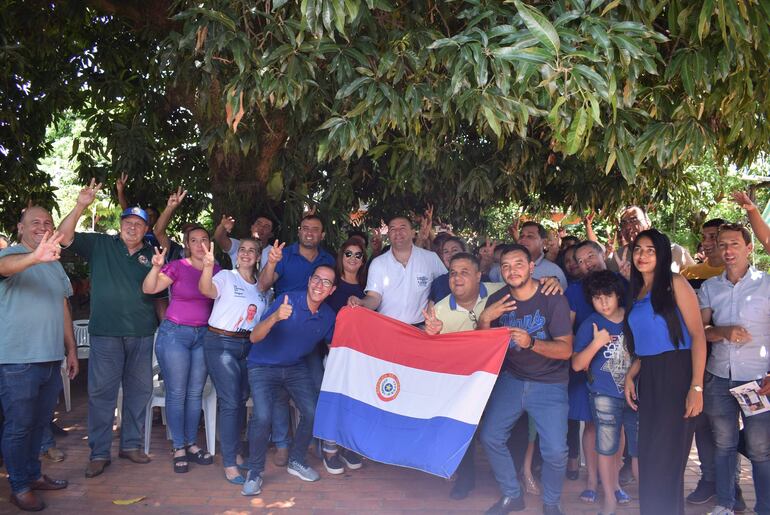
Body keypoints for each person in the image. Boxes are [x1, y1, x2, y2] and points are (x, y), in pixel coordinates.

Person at [58, 179, 159, 478]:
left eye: (138, 224)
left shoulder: (153, 254)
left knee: (138, 392)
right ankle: (99, 452)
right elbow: (63, 237)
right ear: (120, 225)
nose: (132, 227)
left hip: (141, 333)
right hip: (105, 334)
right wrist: (80, 205)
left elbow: (159, 293)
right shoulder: (101, 244)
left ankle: (130, 444)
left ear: (145, 229)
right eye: (127, 222)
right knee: (101, 393)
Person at [478, 244, 573, 515]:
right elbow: (482, 347)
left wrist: (531, 342)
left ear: (532, 267)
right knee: (491, 437)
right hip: (513, 379)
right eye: (505, 266)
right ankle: (512, 494)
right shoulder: (497, 301)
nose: (512, 270)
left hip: (550, 383)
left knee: (556, 452)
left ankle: (552, 501)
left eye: (518, 264)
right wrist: (485, 318)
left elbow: (566, 350)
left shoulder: (552, 297)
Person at [623, 229, 706, 515]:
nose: (642, 255)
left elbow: (697, 335)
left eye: (650, 250)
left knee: (667, 460)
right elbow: (648, 344)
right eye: (637, 249)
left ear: (661, 255)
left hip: (677, 374)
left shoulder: (675, 283)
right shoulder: (636, 291)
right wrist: (631, 374)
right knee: (649, 457)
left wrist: (696, 387)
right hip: (650, 376)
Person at [0, 208, 78, 511]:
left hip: (49, 357)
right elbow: (6, 268)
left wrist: (70, 348)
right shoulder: (12, 256)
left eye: (47, 223)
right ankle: (18, 486)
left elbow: (62, 306)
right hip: (17, 359)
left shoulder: (53, 262)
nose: (42, 227)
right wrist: (35, 257)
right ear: (20, 228)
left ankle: (31, 475)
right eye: (35, 223)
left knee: (38, 423)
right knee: (19, 425)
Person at [241, 265, 338, 496]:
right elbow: (254, 337)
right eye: (317, 279)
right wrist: (275, 317)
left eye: (326, 283)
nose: (319, 285)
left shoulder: (328, 316)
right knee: (263, 417)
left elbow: (333, 347)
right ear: (309, 280)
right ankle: (254, 472)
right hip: (262, 366)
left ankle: (296, 460)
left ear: (332, 290)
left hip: (294, 367)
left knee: (313, 412)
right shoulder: (287, 300)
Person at [699, 223, 770, 515]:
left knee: (760, 449)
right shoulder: (709, 287)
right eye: (723, 245)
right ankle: (725, 503)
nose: (727, 250)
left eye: (734, 245)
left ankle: (764, 506)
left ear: (749, 248)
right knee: (724, 444)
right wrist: (723, 331)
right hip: (719, 377)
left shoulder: (766, 285)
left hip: (757, 379)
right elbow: (701, 330)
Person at [142, 208, 219, 473]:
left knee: (195, 392)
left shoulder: (217, 269)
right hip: (175, 334)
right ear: (187, 245)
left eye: (204, 240)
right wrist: (155, 267)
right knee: (177, 392)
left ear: (210, 244)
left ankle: (190, 442)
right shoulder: (177, 266)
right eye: (194, 240)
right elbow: (150, 288)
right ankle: (178, 446)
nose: (200, 244)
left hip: (202, 336)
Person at [423, 252, 504, 500]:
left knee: (500, 428)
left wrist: (551, 280)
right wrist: (432, 336)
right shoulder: (438, 310)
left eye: (464, 272)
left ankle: (509, 477)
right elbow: (431, 357)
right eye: (453, 273)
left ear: (479, 275)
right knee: (460, 427)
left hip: (499, 376)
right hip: (462, 382)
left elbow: (529, 287)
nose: (457, 278)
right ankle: (465, 478)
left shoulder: (499, 291)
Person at [198, 238, 267, 485]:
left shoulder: (261, 287)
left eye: (252, 251)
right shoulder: (226, 276)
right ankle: (229, 463)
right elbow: (206, 290)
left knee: (239, 399)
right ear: (237, 256)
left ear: (259, 257)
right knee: (229, 402)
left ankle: (236, 454)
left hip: (247, 345)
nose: (247, 254)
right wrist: (207, 267)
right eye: (243, 250)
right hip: (221, 343)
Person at [572, 271, 638, 515]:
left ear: (618, 295)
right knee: (605, 444)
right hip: (603, 393)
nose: (603, 303)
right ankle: (608, 496)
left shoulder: (633, 319)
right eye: (597, 298)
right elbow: (577, 364)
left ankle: (616, 484)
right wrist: (596, 343)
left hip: (631, 392)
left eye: (608, 296)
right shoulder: (590, 324)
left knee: (620, 440)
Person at [348, 215, 446, 325]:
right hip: (388, 328)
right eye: (393, 229)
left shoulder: (430, 258)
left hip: (421, 329)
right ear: (388, 234)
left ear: (413, 232)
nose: (397, 232)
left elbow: (446, 286)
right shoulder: (378, 263)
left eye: (403, 228)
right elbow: (374, 297)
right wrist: (361, 303)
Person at [608, 205, 695, 274]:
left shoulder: (674, 251)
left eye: (634, 220)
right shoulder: (617, 258)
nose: (628, 226)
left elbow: (696, 280)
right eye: (623, 223)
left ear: (648, 223)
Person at [517, 221, 567, 289]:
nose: (523, 239)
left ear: (544, 242)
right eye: (521, 235)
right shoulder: (506, 268)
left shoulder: (554, 271)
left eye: (530, 236)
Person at [429, 236, 466, 303]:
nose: (450, 254)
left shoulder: (480, 278)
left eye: (454, 250)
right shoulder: (438, 283)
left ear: (464, 252)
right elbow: (430, 311)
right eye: (446, 252)